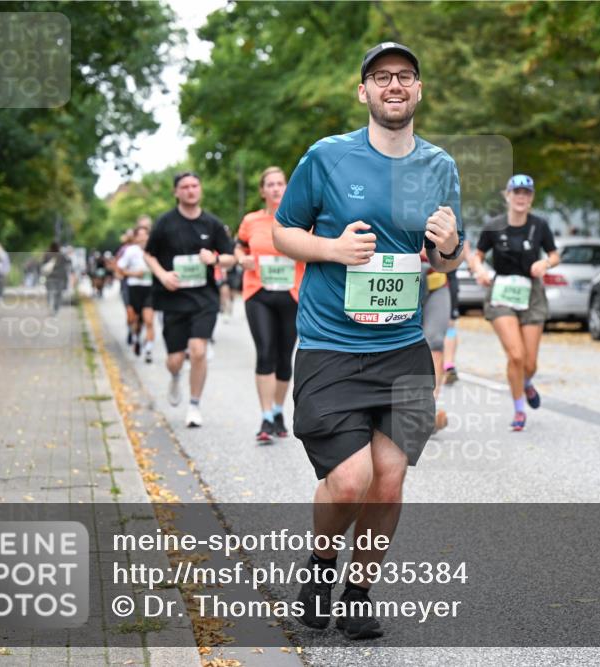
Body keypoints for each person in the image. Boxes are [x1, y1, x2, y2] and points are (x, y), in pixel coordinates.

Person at [273, 41, 464, 640]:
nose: (394, 86)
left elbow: (444, 263)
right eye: (381, 78)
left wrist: (450, 246)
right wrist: (331, 249)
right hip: (331, 345)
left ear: (419, 90)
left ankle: (357, 592)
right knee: (350, 480)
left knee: (389, 480)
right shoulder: (327, 158)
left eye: (405, 76)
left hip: (403, 348)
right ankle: (321, 568)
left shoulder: (440, 167)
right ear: (364, 92)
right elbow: (283, 234)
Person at [468, 174, 559, 432]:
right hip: (502, 293)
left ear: (531, 199)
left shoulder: (539, 225)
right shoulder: (494, 225)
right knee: (516, 355)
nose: (521, 197)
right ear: (507, 195)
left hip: (531, 294)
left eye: (526, 193)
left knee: (530, 363)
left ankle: (526, 382)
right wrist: (480, 271)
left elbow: (554, 255)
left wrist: (546, 263)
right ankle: (519, 410)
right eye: (516, 192)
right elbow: (477, 256)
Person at [144, 172, 235, 428]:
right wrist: (162, 275)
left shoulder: (213, 224)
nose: (190, 190)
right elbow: (148, 255)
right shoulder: (164, 223)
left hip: (204, 297)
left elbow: (231, 257)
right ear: (176, 192)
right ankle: (174, 376)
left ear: (200, 189)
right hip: (173, 298)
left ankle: (194, 405)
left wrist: (215, 259)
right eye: (184, 187)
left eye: (195, 185)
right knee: (174, 359)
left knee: (198, 351)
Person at [235, 166, 304, 444]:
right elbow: (238, 246)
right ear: (263, 191)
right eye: (270, 184)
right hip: (258, 292)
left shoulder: (299, 219)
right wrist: (242, 258)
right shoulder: (251, 221)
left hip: (291, 294)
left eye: (280, 183)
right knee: (265, 351)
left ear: (286, 188)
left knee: (284, 356)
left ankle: (277, 411)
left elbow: (311, 246)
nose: (276, 188)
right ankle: (265, 416)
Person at [420, 251, 450, 431]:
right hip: (400, 283)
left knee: (435, 342)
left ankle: (428, 411)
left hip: (435, 283)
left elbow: (456, 249)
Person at [117, 225, 156, 362]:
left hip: (150, 288)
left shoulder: (154, 250)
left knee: (149, 320)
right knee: (135, 320)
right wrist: (134, 273)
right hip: (134, 288)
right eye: (140, 235)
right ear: (135, 237)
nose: (143, 238)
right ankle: (136, 338)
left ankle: (149, 350)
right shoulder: (130, 251)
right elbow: (120, 269)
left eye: (145, 235)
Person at [442, 239, 471, 385]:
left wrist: (473, 264)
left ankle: (448, 366)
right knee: (449, 325)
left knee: (449, 324)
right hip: (432, 275)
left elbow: (464, 247)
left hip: (447, 279)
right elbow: (465, 250)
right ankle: (448, 364)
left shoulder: (454, 219)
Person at [42, 241, 70, 313]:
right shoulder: (62, 255)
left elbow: (43, 265)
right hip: (59, 277)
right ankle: (55, 308)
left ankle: (51, 306)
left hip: (50, 277)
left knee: (50, 292)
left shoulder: (47, 255)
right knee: (58, 294)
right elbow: (68, 262)